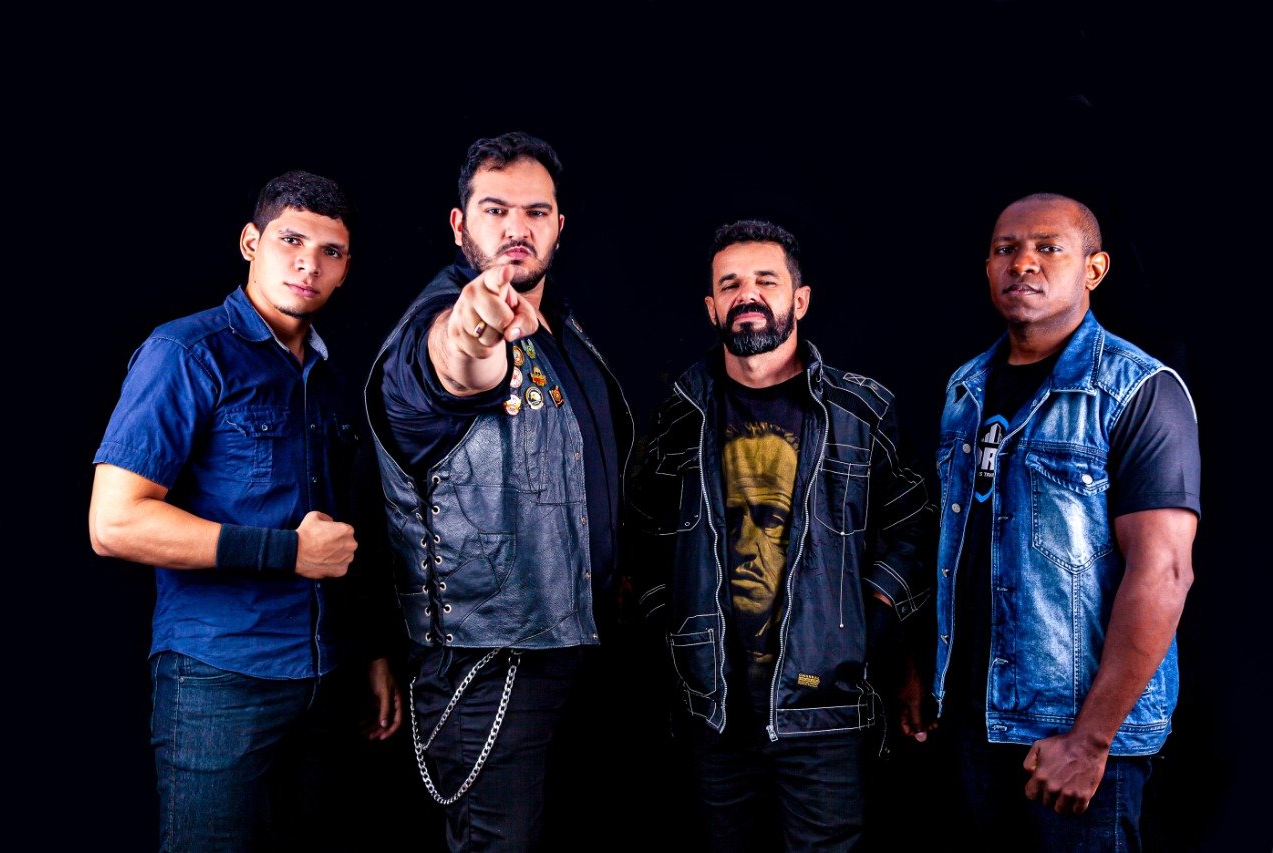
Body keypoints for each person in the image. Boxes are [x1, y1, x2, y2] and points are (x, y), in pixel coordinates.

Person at [88, 170, 403, 852]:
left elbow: (351, 526)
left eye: (330, 251)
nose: (308, 264)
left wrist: (374, 651)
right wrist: (287, 552)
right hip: (219, 677)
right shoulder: (185, 353)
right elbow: (114, 522)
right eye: (291, 241)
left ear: (346, 268)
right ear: (250, 242)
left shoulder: (329, 376)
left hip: (327, 676)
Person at [363, 131, 633, 851]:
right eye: (495, 210)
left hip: (579, 649)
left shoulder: (561, 327)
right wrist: (476, 324)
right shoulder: (437, 326)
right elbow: (458, 360)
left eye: (536, 212)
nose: (517, 227)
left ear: (559, 225)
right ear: (460, 223)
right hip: (489, 666)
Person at [626, 219, 934, 851]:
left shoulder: (861, 411)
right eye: (730, 284)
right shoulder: (679, 417)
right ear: (711, 307)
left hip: (828, 710)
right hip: (712, 710)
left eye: (766, 280)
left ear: (801, 299)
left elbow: (914, 527)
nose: (748, 294)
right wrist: (671, 624)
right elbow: (640, 537)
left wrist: (866, 617)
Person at [929, 192, 1200, 849]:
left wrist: (1090, 739)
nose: (1023, 262)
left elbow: (1163, 573)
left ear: (1094, 269)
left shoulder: (1137, 390)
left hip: (1074, 741)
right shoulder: (965, 388)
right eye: (1006, 249)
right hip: (971, 726)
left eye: (1048, 247)